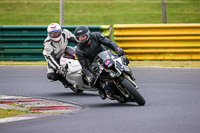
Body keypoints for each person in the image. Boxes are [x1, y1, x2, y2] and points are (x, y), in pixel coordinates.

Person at [74, 25, 126, 99]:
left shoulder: (96, 35)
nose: (82, 39)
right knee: (92, 81)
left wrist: (117, 49)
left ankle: (126, 73)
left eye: (83, 36)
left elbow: (109, 42)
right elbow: (84, 65)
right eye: (79, 37)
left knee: (123, 59)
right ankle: (101, 89)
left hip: (105, 55)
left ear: (88, 34)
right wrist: (90, 75)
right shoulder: (78, 50)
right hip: (93, 64)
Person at [43, 22, 77, 88]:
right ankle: (63, 79)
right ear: (49, 34)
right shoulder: (47, 43)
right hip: (54, 58)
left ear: (60, 31)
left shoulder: (65, 32)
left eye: (56, 32)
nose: (55, 35)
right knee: (50, 76)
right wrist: (58, 68)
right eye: (52, 33)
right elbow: (51, 58)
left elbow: (76, 40)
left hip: (65, 51)